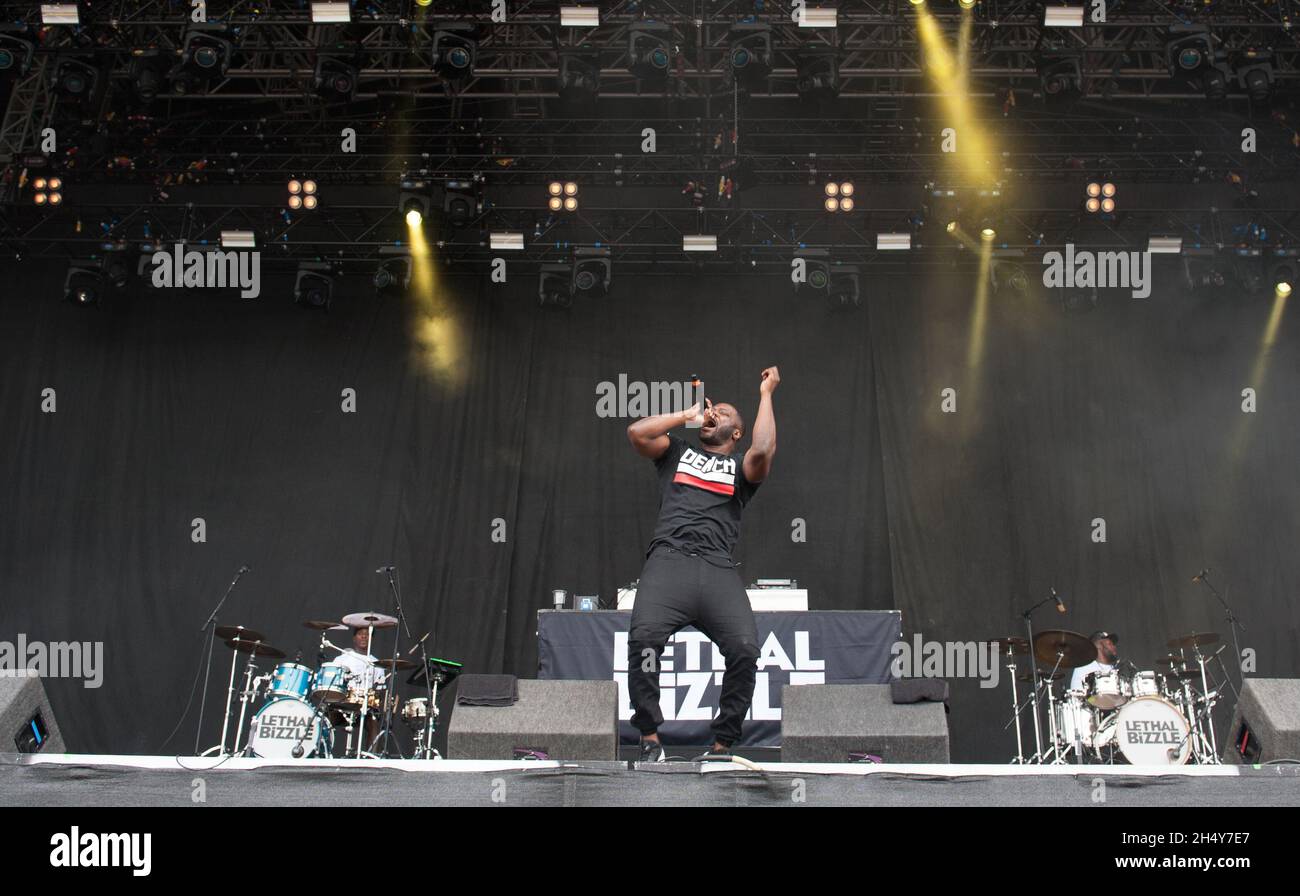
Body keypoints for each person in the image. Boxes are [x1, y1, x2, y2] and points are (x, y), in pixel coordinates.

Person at [624, 367, 780, 761]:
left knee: (745, 650)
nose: (715, 415)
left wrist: (766, 393)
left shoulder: (741, 468)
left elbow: (763, 450)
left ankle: (722, 746)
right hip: (669, 561)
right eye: (714, 411)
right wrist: (687, 416)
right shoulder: (678, 452)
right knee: (643, 640)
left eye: (723, 413)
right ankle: (650, 740)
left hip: (716, 569)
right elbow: (637, 433)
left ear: (737, 433)